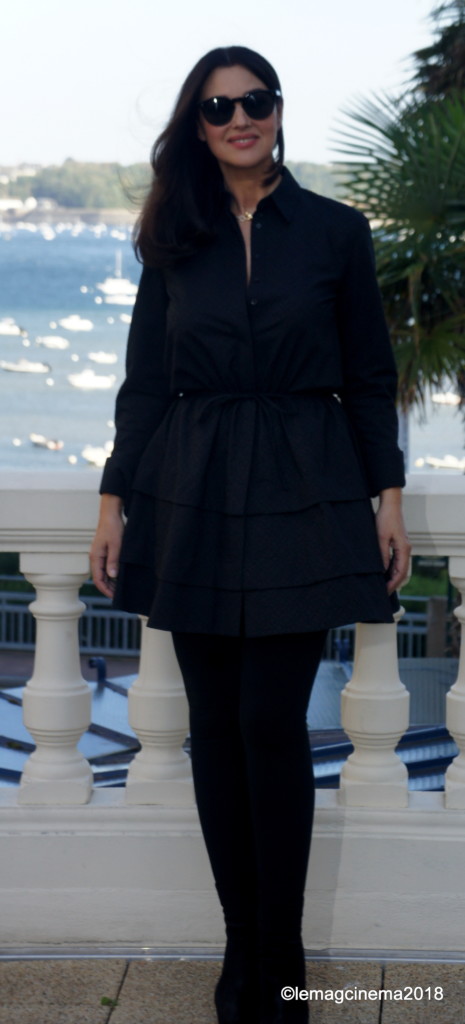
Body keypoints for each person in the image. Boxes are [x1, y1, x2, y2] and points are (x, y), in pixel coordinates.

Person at [90, 45, 410, 1024]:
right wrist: (112, 499)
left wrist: (387, 496)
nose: (240, 118)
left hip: (305, 487)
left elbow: (369, 376)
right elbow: (148, 382)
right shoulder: (173, 238)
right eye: (219, 106)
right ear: (198, 126)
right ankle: (243, 947)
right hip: (191, 487)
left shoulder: (336, 231)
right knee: (215, 731)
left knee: (270, 723)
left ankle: (282, 951)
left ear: (277, 110)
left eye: (255, 101)